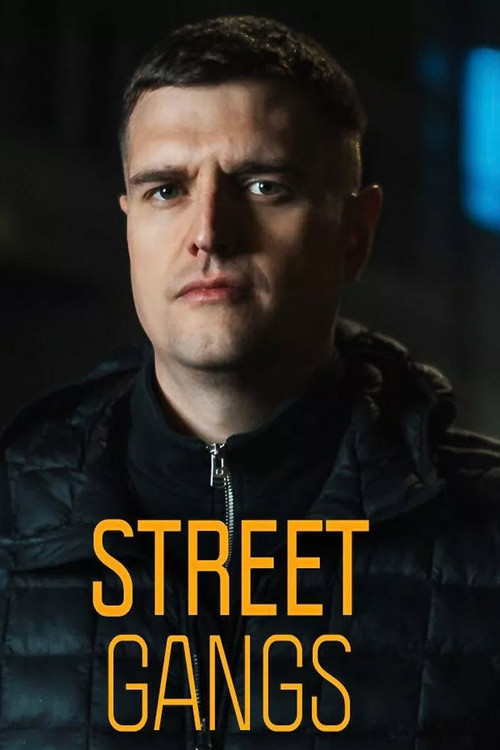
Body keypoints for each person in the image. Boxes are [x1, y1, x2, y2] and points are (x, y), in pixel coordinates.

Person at [1, 14, 499, 750]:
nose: (209, 231)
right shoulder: (12, 515)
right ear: (128, 226)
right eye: (165, 190)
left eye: (264, 185)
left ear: (355, 232)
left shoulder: (484, 528)